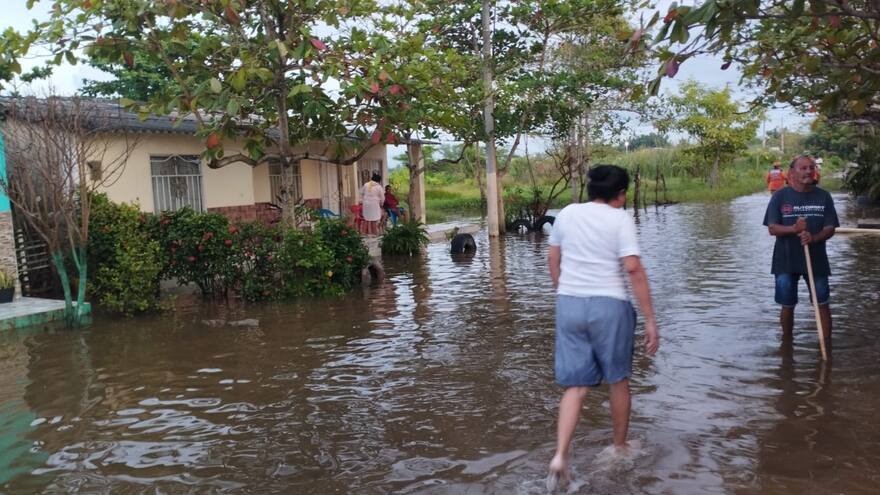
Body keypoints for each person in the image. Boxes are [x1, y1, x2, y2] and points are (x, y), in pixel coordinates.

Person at [546, 165, 659, 484]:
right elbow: (633, 269)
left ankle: (560, 455)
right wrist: (650, 319)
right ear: (621, 195)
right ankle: (619, 447)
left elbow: (553, 259)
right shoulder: (620, 219)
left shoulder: (567, 213)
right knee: (618, 379)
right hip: (610, 305)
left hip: (569, 303)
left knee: (576, 386)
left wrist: (563, 290)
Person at [763, 155, 839, 341]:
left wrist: (814, 238)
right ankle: (787, 345)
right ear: (791, 173)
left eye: (811, 168)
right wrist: (794, 229)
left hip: (816, 261)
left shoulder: (824, 196)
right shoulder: (780, 197)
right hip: (786, 260)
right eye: (803, 168)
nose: (808, 171)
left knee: (822, 302)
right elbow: (772, 228)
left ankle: (826, 346)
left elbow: (830, 228)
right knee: (787, 304)